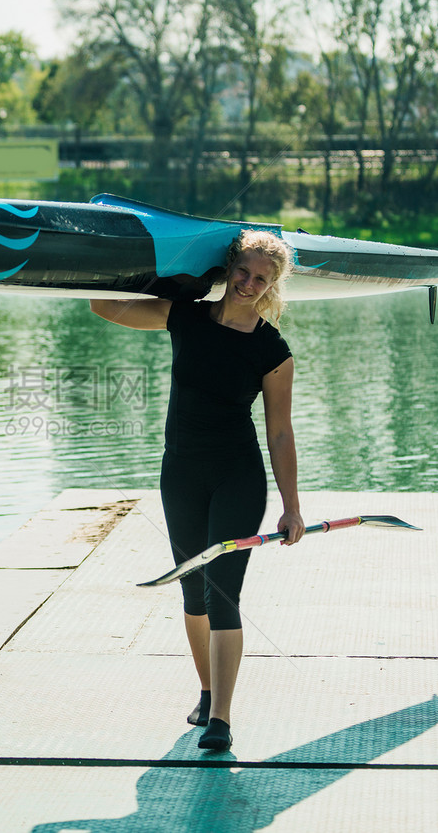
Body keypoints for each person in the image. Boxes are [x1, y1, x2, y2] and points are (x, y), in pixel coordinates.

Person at [90, 230, 305, 751]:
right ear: (228, 267)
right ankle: (208, 693)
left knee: (222, 593)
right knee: (192, 590)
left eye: (262, 278)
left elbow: (279, 431)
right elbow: (104, 306)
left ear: (272, 285)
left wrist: (291, 506)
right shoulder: (184, 315)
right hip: (180, 473)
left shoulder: (272, 350)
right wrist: (180, 281)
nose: (249, 284)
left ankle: (222, 722)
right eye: (243, 271)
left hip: (237, 477)